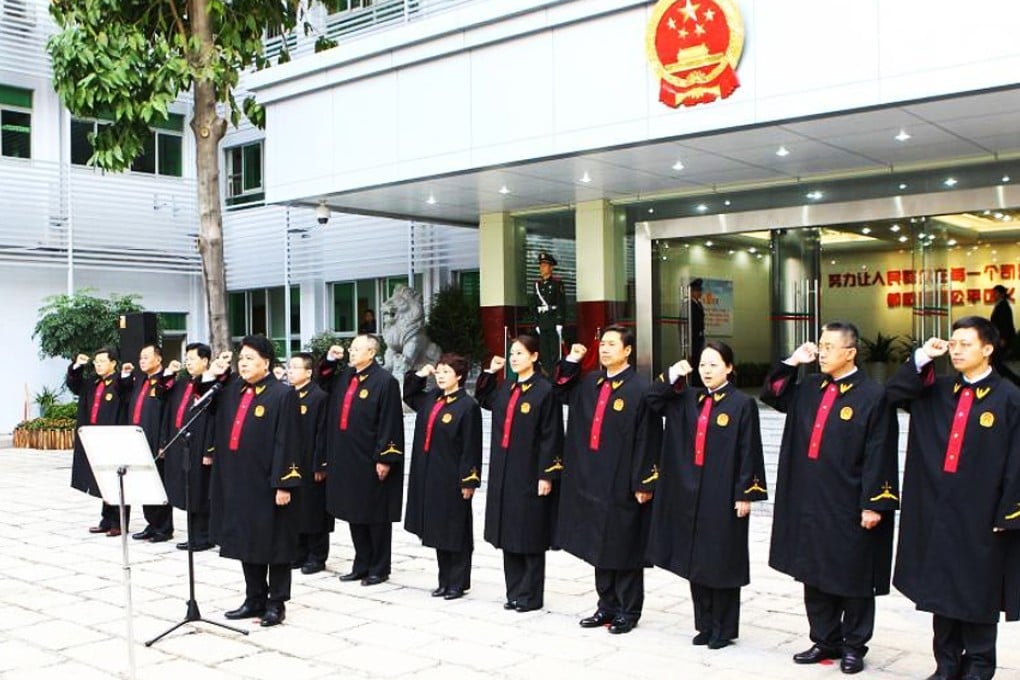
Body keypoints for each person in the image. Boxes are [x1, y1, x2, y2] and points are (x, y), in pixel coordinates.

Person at [885, 317, 1020, 680]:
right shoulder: (937, 389)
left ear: (988, 349)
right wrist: (921, 359)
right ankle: (946, 664)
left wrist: (1010, 511)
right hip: (937, 511)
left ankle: (978, 666)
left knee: (978, 592)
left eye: (966, 344)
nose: (957, 350)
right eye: (953, 343)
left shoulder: (1010, 397)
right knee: (940, 591)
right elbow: (894, 395)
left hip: (982, 514)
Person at [761, 321, 899, 675]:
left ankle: (854, 645)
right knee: (815, 572)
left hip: (849, 501)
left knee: (852, 577)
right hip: (808, 500)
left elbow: (880, 451)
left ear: (850, 352)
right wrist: (793, 361)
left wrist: (875, 502)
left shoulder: (872, 395)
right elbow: (773, 394)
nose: (822, 351)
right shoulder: (808, 387)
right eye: (820, 345)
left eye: (829, 346)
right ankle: (824, 639)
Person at [645, 342, 768, 649]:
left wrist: (746, 493)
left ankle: (724, 628)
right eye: (702, 365)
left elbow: (748, 449)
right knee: (695, 559)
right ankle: (705, 623)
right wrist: (673, 373)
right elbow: (651, 400)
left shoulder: (741, 404)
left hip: (723, 491)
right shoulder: (687, 398)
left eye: (714, 364)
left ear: (729, 368)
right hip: (689, 490)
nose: (707, 370)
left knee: (721, 559)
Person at [552, 325, 662, 635]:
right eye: (603, 344)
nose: (605, 349)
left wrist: (645, 481)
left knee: (625, 545)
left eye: (613, 344)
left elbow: (649, 438)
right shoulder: (590, 382)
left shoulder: (640, 389)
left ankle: (629, 610)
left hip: (624, 479)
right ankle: (606, 606)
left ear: (627, 351)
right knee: (598, 543)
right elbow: (560, 390)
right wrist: (572, 361)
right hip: (592, 477)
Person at [202, 336, 303, 627]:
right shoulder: (232, 388)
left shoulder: (282, 394)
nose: (243, 363)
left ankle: (276, 603)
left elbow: (289, 441)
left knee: (275, 543)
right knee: (249, 541)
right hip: (239, 479)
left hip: (269, 482)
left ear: (267, 363)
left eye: (250, 358)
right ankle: (254, 598)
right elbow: (207, 406)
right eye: (241, 358)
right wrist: (214, 374)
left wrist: (284, 482)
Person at [475, 334, 563, 612]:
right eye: (512, 354)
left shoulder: (544, 390)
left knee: (530, 533)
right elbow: (483, 398)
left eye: (520, 354)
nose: (514, 359)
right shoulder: (507, 387)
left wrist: (546, 475)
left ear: (535, 357)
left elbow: (552, 435)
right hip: (504, 470)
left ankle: (531, 595)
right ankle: (514, 592)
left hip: (530, 472)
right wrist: (490, 371)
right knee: (508, 531)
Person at [317, 334, 404, 586]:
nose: (352, 352)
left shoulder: (384, 381)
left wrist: (385, 457)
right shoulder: (346, 376)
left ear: (372, 353)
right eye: (351, 348)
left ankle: (379, 566)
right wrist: (331, 360)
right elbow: (322, 382)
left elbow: (390, 421)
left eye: (357, 349)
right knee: (354, 511)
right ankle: (361, 563)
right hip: (346, 456)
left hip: (370, 457)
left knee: (375, 514)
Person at [404, 353, 483, 600]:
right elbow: (409, 394)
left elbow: (472, 446)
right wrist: (420, 374)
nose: (440, 375)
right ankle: (444, 579)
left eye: (446, 372)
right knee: (438, 529)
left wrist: (469, 480)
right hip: (429, 474)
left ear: (459, 376)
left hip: (452, 476)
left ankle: (458, 582)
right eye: (438, 371)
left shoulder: (467, 406)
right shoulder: (431, 399)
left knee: (455, 530)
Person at [67, 347, 130, 536]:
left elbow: (127, 389)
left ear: (113, 363)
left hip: (112, 438)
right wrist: (77, 365)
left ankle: (118, 522)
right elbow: (74, 384)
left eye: (102, 361)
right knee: (102, 479)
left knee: (115, 480)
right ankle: (105, 519)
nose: (98, 365)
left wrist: (126, 375)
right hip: (92, 437)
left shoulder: (119, 381)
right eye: (96, 362)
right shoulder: (92, 383)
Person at [160, 343, 214, 552]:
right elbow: (162, 397)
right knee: (187, 489)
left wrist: (210, 449)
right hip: (181, 443)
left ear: (205, 361)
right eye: (187, 359)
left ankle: (204, 536)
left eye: (192, 359)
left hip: (200, 444)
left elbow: (214, 419)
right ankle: (194, 535)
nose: (188, 363)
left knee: (200, 490)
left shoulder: (210, 385)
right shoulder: (182, 382)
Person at [123, 343, 175, 543]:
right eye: (140, 358)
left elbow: (167, 415)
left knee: (158, 483)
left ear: (159, 359)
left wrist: (163, 442)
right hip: (137, 439)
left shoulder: (166, 382)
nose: (141, 361)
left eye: (146, 357)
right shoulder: (140, 381)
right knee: (143, 483)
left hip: (155, 440)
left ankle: (164, 527)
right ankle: (151, 524)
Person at [288, 352, 333, 575]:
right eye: (289, 367)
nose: (290, 371)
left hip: (311, 461)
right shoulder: (287, 395)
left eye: (295, 367)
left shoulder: (319, 397)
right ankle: (299, 552)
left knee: (314, 510)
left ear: (308, 372)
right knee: (296, 509)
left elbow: (323, 433)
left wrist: (321, 464)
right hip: (292, 461)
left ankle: (317, 556)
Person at [531, 251, 566, 367]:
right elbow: (535, 305)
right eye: (540, 265)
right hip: (542, 321)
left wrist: (559, 322)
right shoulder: (537, 284)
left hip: (553, 320)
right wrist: (536, 323)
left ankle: (555, 377)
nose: (542, 268)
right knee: (544, 352)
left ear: (551, 268)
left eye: (545, 265)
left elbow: (561, 303)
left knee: (554, 352)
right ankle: (547, 377)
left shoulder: (557, 283)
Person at [989, 285, 1020, 385]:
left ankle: (1014, 381)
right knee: (997, 362)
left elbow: (1006, 324)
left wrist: (1003, 338)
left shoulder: (1004, 306)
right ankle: (1011, 380)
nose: (994, 295)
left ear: (1001, 294)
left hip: (1002, 339)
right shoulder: (1000, 305)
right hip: (999, 338)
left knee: (997, 362)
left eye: (996, 293)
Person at [686, 278, 706, 387]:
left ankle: (698, 384)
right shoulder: (689, 305)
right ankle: (694, 384)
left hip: (699, 338)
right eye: (698, 291)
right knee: (694, 362)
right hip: (692, 339)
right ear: (692, 292)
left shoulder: (698, 304)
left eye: (700, 291)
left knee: (698, 360)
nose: (700, 293)